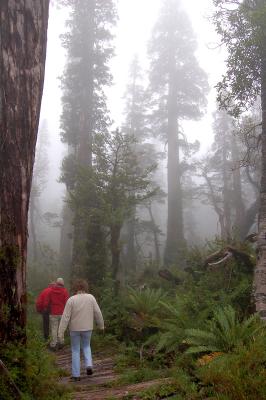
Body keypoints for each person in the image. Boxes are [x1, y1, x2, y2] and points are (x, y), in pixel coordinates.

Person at [58, 279, 104, 381]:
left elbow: (65, 317)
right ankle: (89, 365)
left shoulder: (71, 300)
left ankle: (76, 375)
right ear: (85, 287)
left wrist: (60, 332)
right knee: (86, 346)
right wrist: (101, 325)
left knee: (75, 350)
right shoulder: (91, 298)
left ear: (75, 288)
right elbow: (98, 312)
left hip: (74, 329)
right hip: (88, 327)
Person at [44, 277, 69, 351]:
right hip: (62, 313)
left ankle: (53, 344)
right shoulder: (65, 291)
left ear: (56, 283)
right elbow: (67, 302)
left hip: (53, 313)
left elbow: (47, 301)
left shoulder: (51, 291)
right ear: (63, 284)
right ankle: (61, 343)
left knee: (54, 329)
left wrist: (45, 307)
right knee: (61, 328)